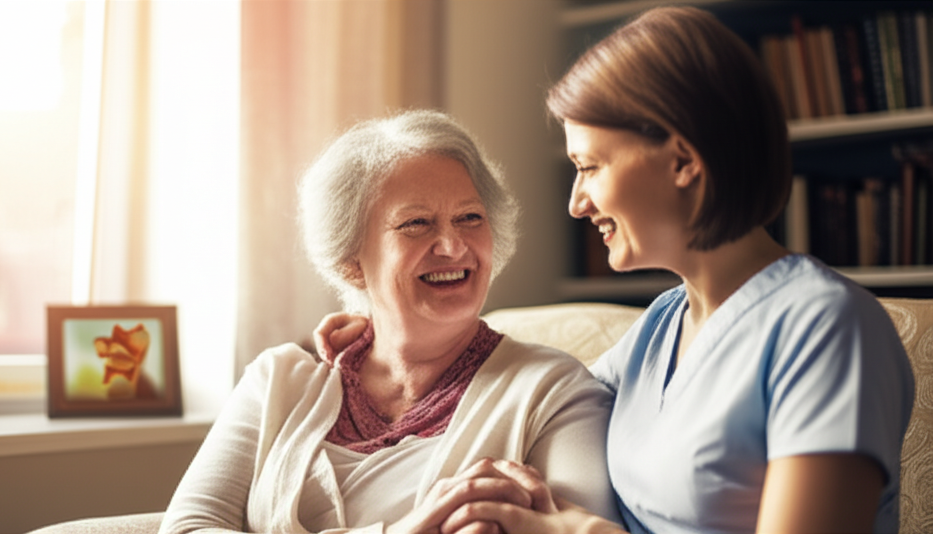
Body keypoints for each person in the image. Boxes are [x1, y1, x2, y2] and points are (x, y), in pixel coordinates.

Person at [314, 7, 916, 534]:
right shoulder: (662, 327)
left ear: (682, 160)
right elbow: (520, 382)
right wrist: (382, 334)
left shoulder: (827, 329)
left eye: (591, 167)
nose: (577, 202)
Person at [158, 109, 620, 534]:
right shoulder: (277, 382)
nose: (453, 246)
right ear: (350, 262)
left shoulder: (553, 390)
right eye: (416, 223)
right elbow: (186, 527)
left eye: (470, 218)